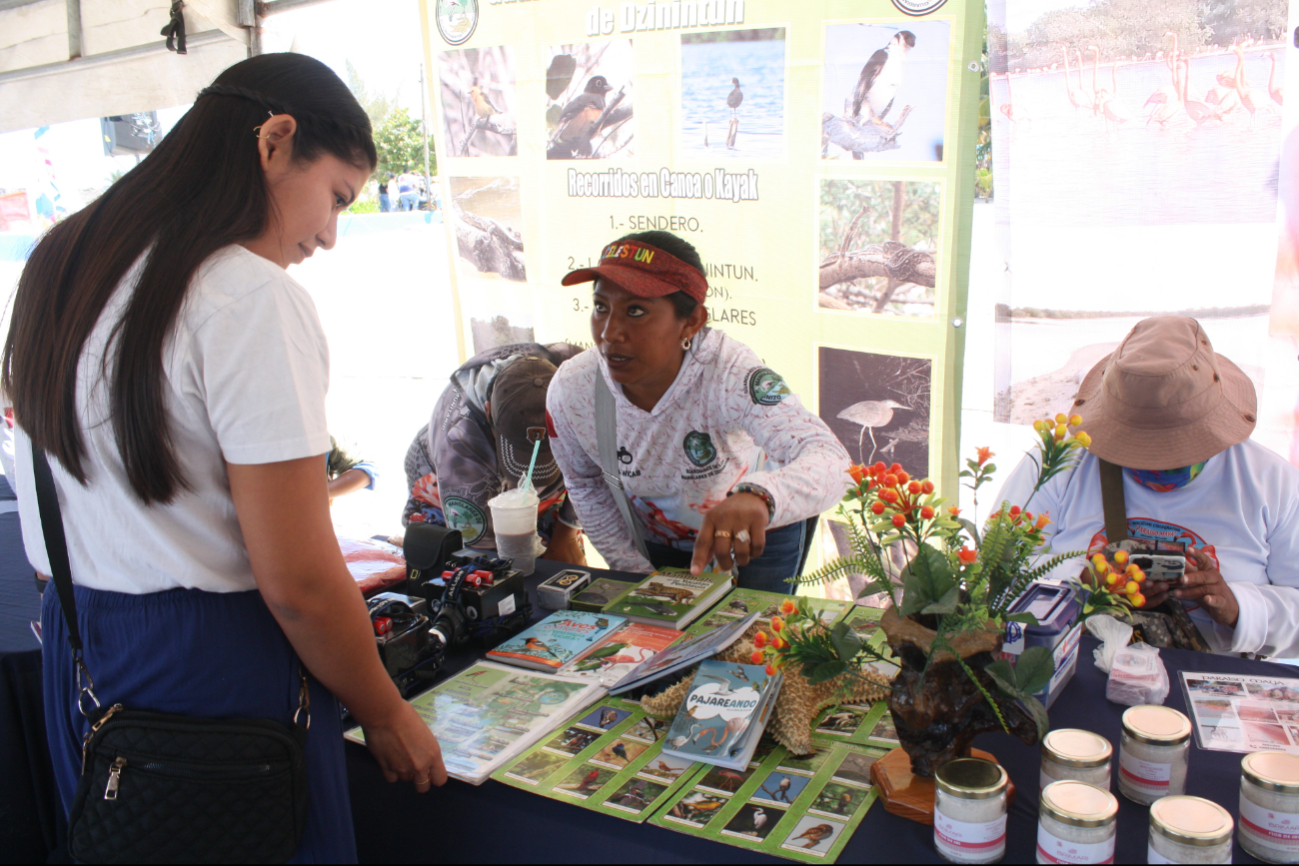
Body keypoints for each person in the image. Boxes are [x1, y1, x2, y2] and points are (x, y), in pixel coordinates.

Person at [2, 53, 444, 862]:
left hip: (78, 647)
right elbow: (302, 584)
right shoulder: (247, 295)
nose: (330, 235)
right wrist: (385, 712)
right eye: (336, 198)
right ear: (276, 141)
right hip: (215, 666)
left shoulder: (59, 260)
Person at [545, 231, 851, 592]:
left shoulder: (730, 373)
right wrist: (633, 572)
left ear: (691, 322)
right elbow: (584, 482)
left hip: (757, 537)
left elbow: (833, 462)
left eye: (636, 311)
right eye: (601, 307)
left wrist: (761, 497)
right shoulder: (573, 388)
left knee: (754, 641)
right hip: (655, 536)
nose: (610, 333)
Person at [998, 317, 1299, 657]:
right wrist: (1084, 585)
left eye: (1177, 450)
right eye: (1139, 449)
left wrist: (1238, 608)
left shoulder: (1272, 483)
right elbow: (994, 576)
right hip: (1074, 670)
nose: (1157, 465)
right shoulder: (1060, 462)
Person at [403, 343, 586, 564]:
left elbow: (599, 466)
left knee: (564, 566)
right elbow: (484, 553)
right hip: (452, 481)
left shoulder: (581, 376)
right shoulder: (461, 445)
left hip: (546, 494)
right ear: (489, 412)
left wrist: (566, 534)